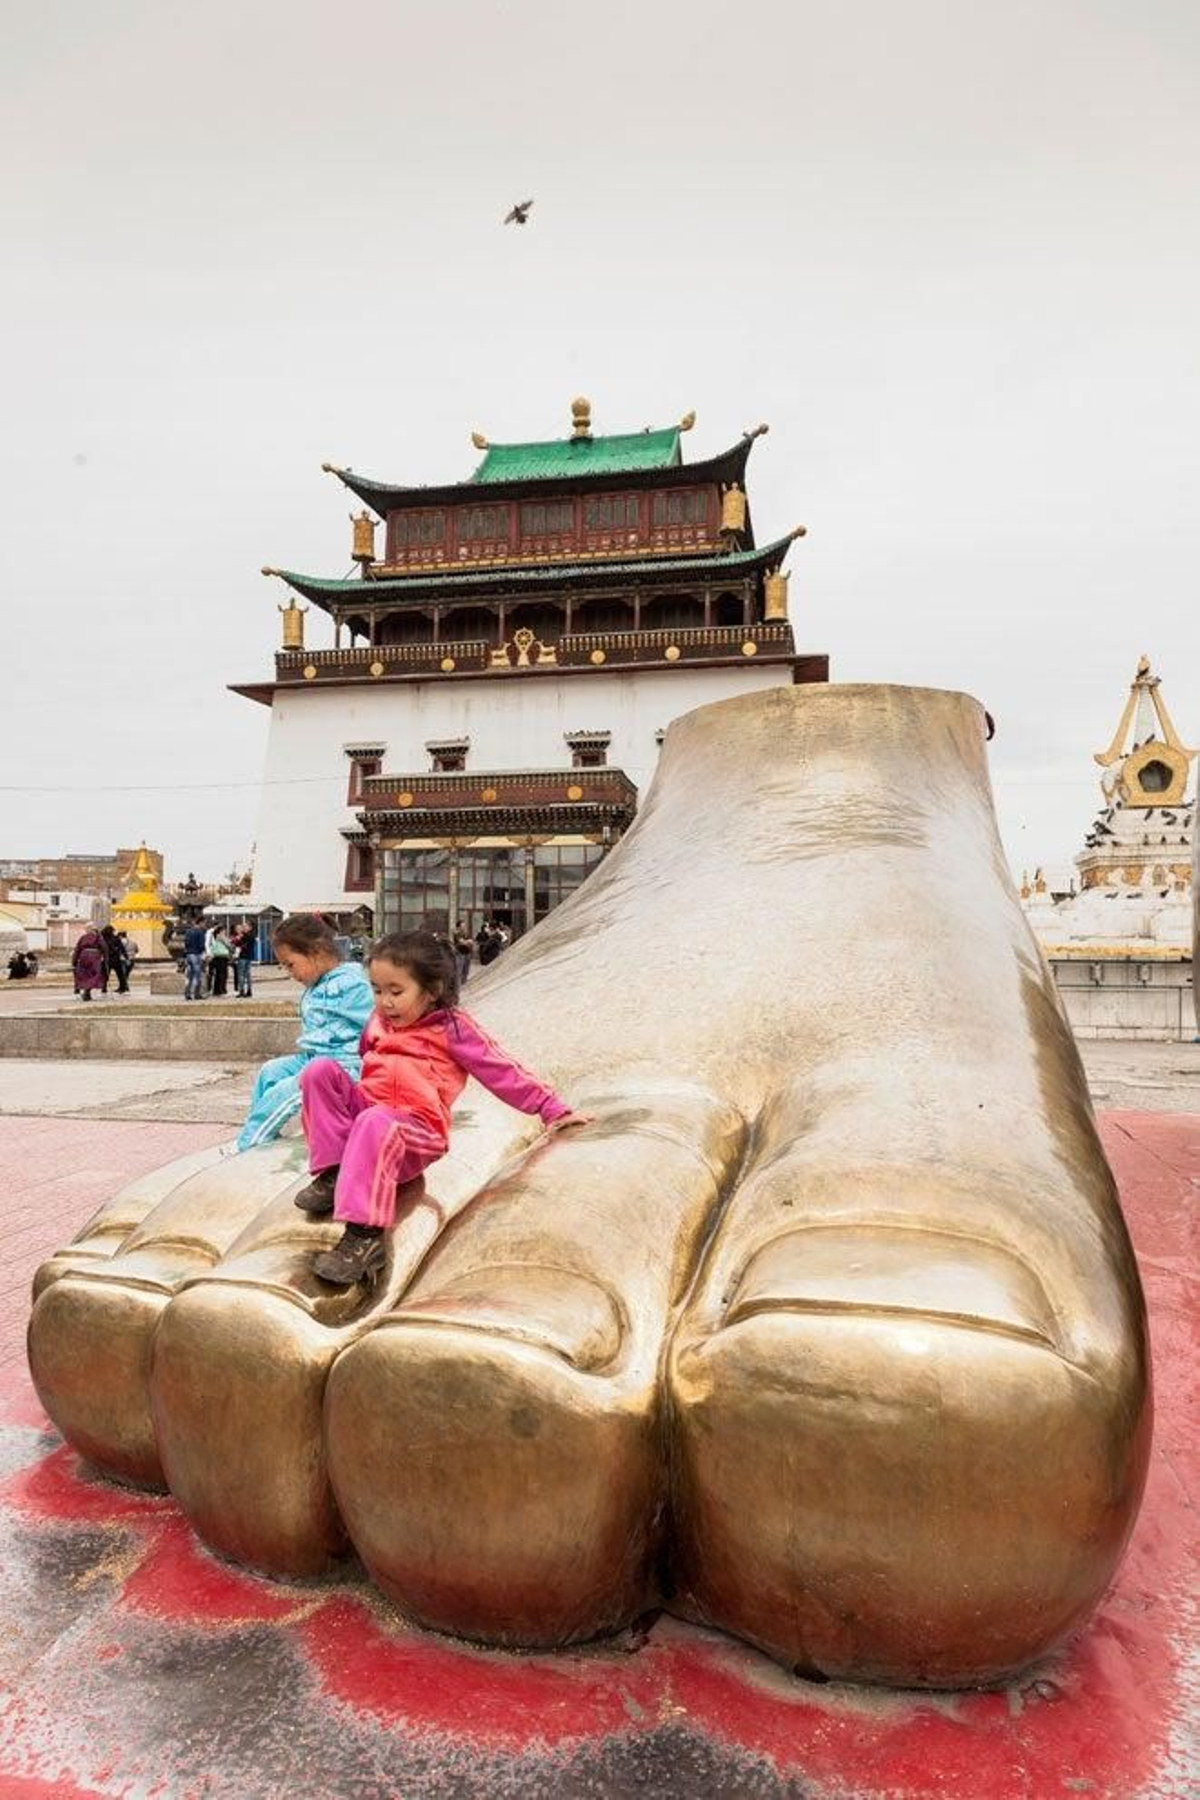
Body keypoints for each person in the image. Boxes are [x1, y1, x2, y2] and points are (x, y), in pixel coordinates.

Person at [295, 929, 592, 1286]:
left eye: (396, 992)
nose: (384, 1002)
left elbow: (501, 1070)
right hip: (369, 1122)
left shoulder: (452, 1028)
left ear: (432, 991)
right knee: (319, 1072)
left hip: (414, 1132)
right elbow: (366, 1057)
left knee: (376, 1121)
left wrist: (551, 1109)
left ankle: (363, 1236)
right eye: (376, 990)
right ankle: (333, 1171)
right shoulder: (378, 1023)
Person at [235, 913, 374, 1153]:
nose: (290, 973)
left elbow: (377, 1022)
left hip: (342, 1065)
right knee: (270, 1071)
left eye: (291, 964)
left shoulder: (353, 983)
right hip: (313, 1057)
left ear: (317, 953)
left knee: (284, 1091)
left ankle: (249, 1145)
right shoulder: (320, 982)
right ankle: (260, 1131)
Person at [72, 927, 105, 1001]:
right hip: (95, 957)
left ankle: (86, 992)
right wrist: (106, 959)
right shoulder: (99, 938)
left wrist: (74, 961)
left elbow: (77, 949)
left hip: (83, 956)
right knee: (94, 975)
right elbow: (104, 948)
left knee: (84, 975)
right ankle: (87, 991)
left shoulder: (83, 937)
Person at [182, 917, 207, 1001]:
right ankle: (197, 994)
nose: (204, 925)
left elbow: (186, 942)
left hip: (189, 955)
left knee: (189, 976)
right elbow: (201, 945)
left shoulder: (188, 931)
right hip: (196, 954)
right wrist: (203, 953)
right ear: (200, 923)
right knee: (197, 975)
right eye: (204, 923)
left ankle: (187, 993)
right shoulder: (200, 932)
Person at [208, 924, 232, 997]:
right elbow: (228, 944)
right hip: (221, 956)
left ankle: (217, 991)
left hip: (218, 957)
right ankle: (221, 990)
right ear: (221, 931)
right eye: (224, 930)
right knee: (222, 974)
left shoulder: (216, 936)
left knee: (219, 974)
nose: (225, 931)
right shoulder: (220, 936)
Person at [233, 921, 255, 997]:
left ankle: (242, 991)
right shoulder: (252, 935)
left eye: (245, 926)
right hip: (249, 956)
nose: (243, 928)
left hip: (243, 956)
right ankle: (249, 991)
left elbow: (238, 944)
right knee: (247, 974)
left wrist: (238, 938)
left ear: (250, 927)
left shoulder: (245, 936)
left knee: (241, 974)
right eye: (243, 926)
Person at [452, 918, 474, 989]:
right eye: (462, 926)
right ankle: (458, 986)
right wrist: (468, 942)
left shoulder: (466, 933)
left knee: (466, 970)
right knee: (459, 970)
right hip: (460, 953)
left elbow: (472, 942)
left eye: (464, 926)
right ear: (458, 927)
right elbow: (462, 943)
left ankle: (464, 985)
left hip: (467, 953)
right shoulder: (457, 933)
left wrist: (467, 942)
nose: (464, 927)